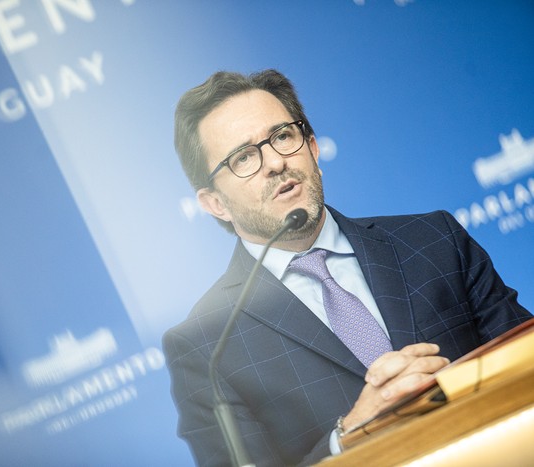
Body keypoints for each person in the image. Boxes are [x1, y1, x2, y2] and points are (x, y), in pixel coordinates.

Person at [162, 69, 531, 466]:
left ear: (313, 147)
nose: (274, 163)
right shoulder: (205, 347)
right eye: (243, 158)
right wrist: (349, 436)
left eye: (282, 137)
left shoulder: (433, 240)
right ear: (214, 203)